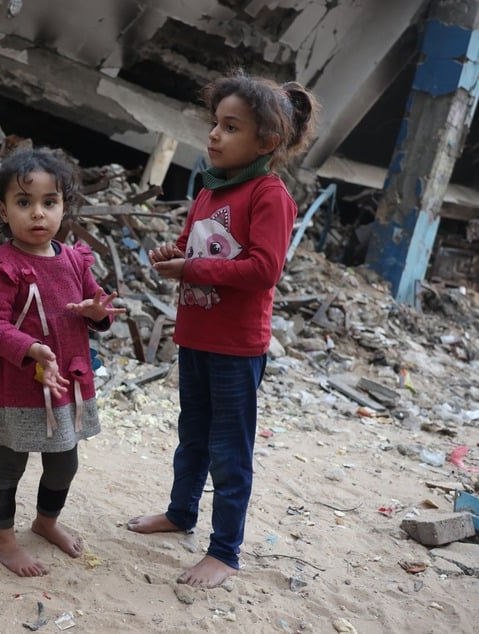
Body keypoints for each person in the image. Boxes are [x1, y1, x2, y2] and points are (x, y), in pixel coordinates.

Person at [126, 69, 319, 588]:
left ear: (267, 141)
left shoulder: (269, 195)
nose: (214, 134)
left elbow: (263, 270)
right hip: (196, 337)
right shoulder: (210, 192)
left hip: (236, 348)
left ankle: (225, 551)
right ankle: (180, 513)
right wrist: (173, 254)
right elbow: (194, 246)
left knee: (229, 452)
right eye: (215, 123)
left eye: (231, 127)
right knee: (192, 436)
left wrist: (192, 268)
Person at [0, 146, 126, 577]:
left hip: (65, 385)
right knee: (11, 462)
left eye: (49, 202)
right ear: (2, 211)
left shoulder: (74, 259)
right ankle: (2, 540)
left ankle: (45, 522)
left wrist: (99, 313)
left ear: (63, 207)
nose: (37, 214)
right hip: (18, 385)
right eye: (24, 203)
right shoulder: (1, 267)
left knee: (65, 461)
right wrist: (31, 349)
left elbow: (98, 305)